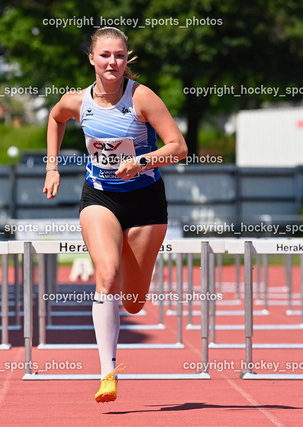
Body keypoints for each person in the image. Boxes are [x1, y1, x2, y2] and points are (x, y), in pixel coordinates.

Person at [43, 27, 187, 402]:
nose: (113, 62)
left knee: (134, 302)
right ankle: (108, 373)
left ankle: (128, 267)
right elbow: (55, 119)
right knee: (105, 275)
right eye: (105, 55)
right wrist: (52, 167)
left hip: (146, 204)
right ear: (92, 58)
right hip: (101, 198)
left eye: (120, 56)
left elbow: (178, 147)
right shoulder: (77, 102)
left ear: (128, 59)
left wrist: (141, 161)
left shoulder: (142, 98)